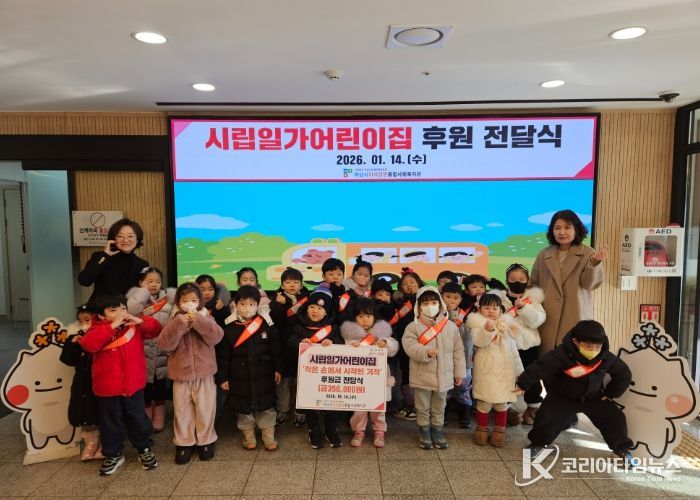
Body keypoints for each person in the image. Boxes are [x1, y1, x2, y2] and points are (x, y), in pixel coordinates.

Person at [515, 320, 635, 463]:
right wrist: (523, 384)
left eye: (598, 346)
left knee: (615, 418)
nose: (593, 350)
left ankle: (621, 448)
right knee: (546, 418)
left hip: (593, 397)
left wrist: (610, 394)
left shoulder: (605, 356)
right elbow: (540, 367)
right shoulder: (561, 353)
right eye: (588, 346)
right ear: (576, 342)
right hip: (563, 396)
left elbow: (623, 373)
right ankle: (538, 444)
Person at [78, 292, 161, 476]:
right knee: (110, 422)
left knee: (138, 419)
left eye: (123, 308)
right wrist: (112, 327)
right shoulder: (96, 329)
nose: (121, 312)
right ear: (101, 315)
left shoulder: (133, 326)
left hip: (134, 385)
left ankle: (144, 449)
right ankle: (113, 454)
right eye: (113, 310)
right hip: (108, 388)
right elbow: (89, 345)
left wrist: (140, 321)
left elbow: (155, 329)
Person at [158, 283, 223, 464]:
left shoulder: (206, 316)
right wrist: (181, 323)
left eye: (193, 300)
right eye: (185, 300)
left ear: (200, 301)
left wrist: (198, 321)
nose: (189, 304)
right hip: (181, 373)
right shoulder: (174, 319)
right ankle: (184, 443)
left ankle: (206, 441)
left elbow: (217, 337)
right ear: (178, 302)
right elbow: (165, 344)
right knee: (182, 410)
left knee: (205, 409)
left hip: (205, 372)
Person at [531, 209, 607, 354]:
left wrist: (595, 263)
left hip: (574, 315)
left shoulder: (588, 253)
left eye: (567, 227)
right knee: (548, 359)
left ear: (576, 229)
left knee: (572, 358)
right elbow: (534, 284)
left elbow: (589, 285)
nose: (562, 232)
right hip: (547, 318)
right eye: (557, 228)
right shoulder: (544, 254)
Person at [217, 285, 283, 451]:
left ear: (258, 305)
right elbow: (224, 357)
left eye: (252, 304)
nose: (247, 307)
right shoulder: (229, 328)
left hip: (264, 374)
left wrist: (278, 369)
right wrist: (223, 378)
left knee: (266, 404)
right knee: (243, 406)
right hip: (238, 376)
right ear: (235, 304)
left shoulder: (266, 325)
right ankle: (248, 434)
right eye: (243, 303)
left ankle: (268, 433)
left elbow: (276, 350)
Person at [402, 286, 466, 450]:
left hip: (444, 376)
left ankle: (437, 431)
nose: (430, 306)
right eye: (425, 303)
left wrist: (459, 373)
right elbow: (409, 346)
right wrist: (425, 352)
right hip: (421, 376)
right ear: (419, 306)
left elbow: (458, 351)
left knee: (439, 407)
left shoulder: (450, 326)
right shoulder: (413, 326)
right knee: (422, 407)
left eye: (433, 302)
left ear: (440, 304)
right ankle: (424, 432)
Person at [490, 263, 546, 426]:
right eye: (513, 278)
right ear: (507, 280)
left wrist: (523, 308)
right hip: (505, 346)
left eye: (521, 279)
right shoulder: (498, 298)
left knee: (532, 377)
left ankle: (532, 408)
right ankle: (506, 409)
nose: (517, 282)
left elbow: (537, 321)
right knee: (505, 377)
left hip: (528, 347)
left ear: (527, 281)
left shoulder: (533, 299)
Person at [340, 298, 398, 448]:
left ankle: (379, 431)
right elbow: (345, 356)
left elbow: (394, 348)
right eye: (360, 316)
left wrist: (386, 343)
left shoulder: (382, 333)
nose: (364, 320)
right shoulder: (350, 335)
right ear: (354, 318)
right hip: (359, 378)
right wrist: (351, 347)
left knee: (378, 407)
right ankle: (358, 431)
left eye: (368, 316)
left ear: (374, 317)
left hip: (378, 378)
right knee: (359, 407)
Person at [467, 293, 523, 447]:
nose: (491, 311)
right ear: (480, 309)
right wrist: (487, 330)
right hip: (486, 371)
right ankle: (481, 431)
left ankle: (499, 433)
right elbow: (479, 342)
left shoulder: (506, 326)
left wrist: (521, 373)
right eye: (487, 308)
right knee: (484, 403)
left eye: (495, 308)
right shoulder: (477, 325)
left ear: (500, 310)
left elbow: (514, 352)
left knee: (501, 404)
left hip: (505, 372)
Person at [290, 288, 343, 448]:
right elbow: (289, 342)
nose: (315, 311)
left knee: (331, 403)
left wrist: (332, 342)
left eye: (320, 308)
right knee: (310, 404)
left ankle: (331, 430)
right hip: (307, 375)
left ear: (326, 312)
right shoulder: (298, 325)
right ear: (306, 308)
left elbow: (341, 344)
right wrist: (300, 342)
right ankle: (313, 430)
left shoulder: (332, 328)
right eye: (312, 307)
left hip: (328, 375)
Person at [126, 266, 174, 432]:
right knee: (144, 387)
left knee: (160, 385)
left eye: (158, 282)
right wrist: (142, 294)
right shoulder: (133, 301)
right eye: (149, 281)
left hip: (161, 349)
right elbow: (131, 312)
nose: (154, 285)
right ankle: (146, 416)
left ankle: (159, 415)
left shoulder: (168, 301)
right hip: (142, 351)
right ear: (141, 283)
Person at [60, 305, 102, 461]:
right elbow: (68, 360)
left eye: (87, 319)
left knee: (104, 410)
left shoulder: (104, 333)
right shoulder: (75, 335)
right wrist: (74, 343)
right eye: (80, 320)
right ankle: (91, 442)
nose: (83, 323)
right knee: (85, 411)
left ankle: (106, 441)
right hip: (83, 381)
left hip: (101, 379)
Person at [78, 218, 149, 309]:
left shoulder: (143, 264)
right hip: (101, 312)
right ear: (113, 239)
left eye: (130, 236)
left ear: (138, 239)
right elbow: (84, 281)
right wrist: (105, 255)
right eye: (120, 236)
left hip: (128, 312)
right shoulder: (101, 257)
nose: (125, 240)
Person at [269, 267, 309, 426]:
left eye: (296, 282)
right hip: (282, 346)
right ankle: (282, 409)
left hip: (302, 344)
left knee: (302, 379)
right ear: (282, 284)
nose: (292, 285)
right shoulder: (277, 300)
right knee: (283, 381)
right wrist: (278, 305)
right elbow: (275, 321)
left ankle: (301, 411)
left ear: (301, 284)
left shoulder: (307, 299)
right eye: (288, 282)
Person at [392, 268, 424, 421]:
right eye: (405, 283)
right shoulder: (398, 302)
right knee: (405, 372)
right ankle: (410, 404)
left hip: (421, 342)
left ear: (419, 284)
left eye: (412, 282)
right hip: (403, 342)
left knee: (420, 372)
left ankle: (420, 406)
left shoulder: (425, 300)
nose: (409, 285)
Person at [441, 282, 473, 429]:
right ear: (441, 296)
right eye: (447, 297)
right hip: (443, 359)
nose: (451, 301)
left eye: (455, 298)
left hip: (464, 358)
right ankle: (442, 416)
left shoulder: (467, 316)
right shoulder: (437, 314)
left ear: (460, 299)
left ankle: (464, 417)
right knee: (445, 389)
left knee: (464, 389)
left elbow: (469, 342)